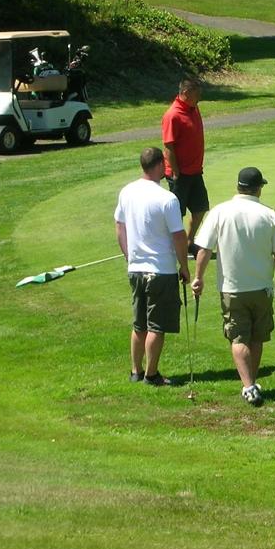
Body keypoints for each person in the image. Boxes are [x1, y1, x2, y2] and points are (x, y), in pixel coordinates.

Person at [192, 167, 275, 407]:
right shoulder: (270, 215)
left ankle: (249, 385)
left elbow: (203, 249)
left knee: (238, 337)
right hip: (262, 288)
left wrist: (198, 277)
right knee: (256, 337)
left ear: (238, 187)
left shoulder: (220, 211)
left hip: (232, 288)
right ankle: (250, 385)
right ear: (258, 188)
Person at [114, 147, 191, 386]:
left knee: (139, 324)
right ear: (159, 166)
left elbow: (119, 226)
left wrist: (128, 255)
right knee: (156, 326)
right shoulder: (167, 198)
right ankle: (151, 374)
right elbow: (179, 236)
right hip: (161, 270)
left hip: (136, 269)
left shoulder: (127, 192)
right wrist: (184, 267)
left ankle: (136, 371)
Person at [162, 76, 208, 257]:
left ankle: (189, 242)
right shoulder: (173, 115)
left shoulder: (194, 108)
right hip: (179, 174)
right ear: (186, 93)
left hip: (195, 171)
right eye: (197, 93)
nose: (200, 97)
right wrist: (175, 172)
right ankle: (174, 248)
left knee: (200, 208)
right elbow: (168, 146)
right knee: (176, 215)